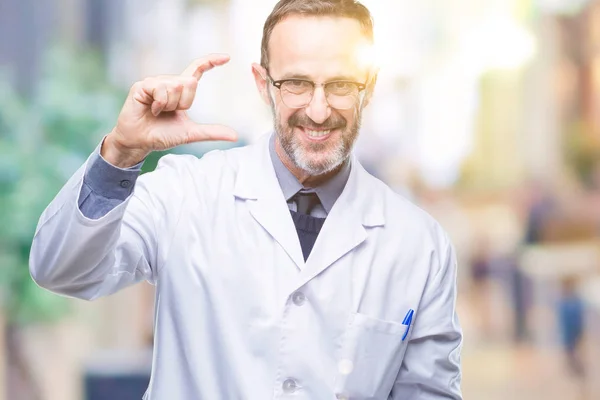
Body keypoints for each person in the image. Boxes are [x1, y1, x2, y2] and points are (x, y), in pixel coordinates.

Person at [29, 0, 463, 398]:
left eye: (341, 85)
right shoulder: (185, 193)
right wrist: (121, 153)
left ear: (368, 88)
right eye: (296, 83)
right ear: (263, 84)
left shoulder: (419, 245)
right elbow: (61, 270)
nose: (317, 109)